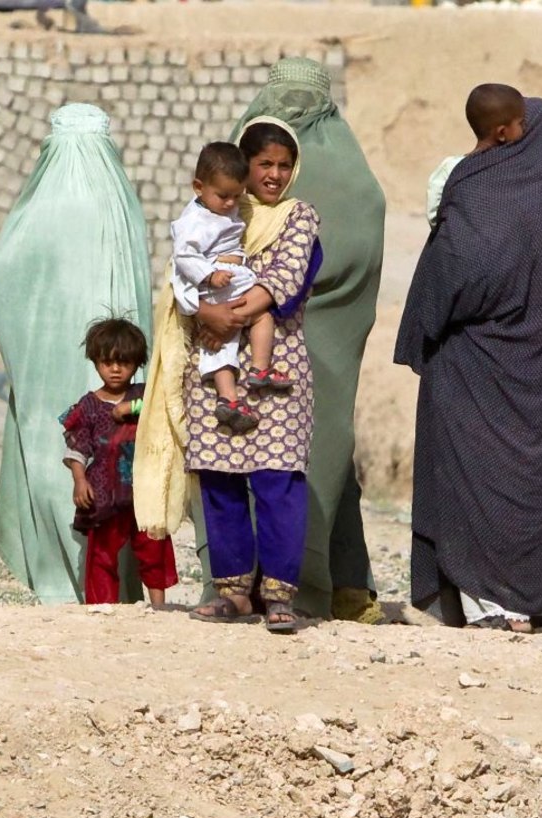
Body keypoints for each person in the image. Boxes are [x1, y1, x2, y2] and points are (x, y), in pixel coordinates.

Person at [396, 89, 542, 633]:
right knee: (482, 476)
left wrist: (429, 317)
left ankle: (499, 605)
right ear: (503, 131)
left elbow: (459, 268)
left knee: (477, 473)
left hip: (478, 354)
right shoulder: (530, 184)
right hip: (521, 361)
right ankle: (493, 605)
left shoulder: (478, 185)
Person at [134, 120, 320, 636]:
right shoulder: (216, 211)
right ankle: (233, 592)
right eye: (264, 164)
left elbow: (286, 280)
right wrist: (200, 312)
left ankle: (278, 596)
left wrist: (223, 315)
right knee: (219, 480)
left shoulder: (298, 216)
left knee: (278, 479)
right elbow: (182, 272)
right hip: (214, 364)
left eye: (284, 165)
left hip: (275, 370)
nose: (274, 175)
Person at [233, 57, 387, 624]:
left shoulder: (253, 153)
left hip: (261, 340)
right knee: (324, 457)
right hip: (327, 345)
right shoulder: (355, 176)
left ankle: (264, 584)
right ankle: (345, 585)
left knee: (259, 458)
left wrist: (259, 292)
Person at [0, 103, 151, 605]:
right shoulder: (119, 202)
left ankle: (60, 585)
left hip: (45, 374)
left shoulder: (34, 210)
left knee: (52, 461)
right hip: (118, 370)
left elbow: (5, 290)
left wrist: (24, 359)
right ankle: (109, 590)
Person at [171, 142, 288, 433]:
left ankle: (254, 374)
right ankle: (233, 392)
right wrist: (209, 275)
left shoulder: (225, 210)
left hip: (234, 280)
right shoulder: (193, 220)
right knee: (222, 342)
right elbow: (184, 256)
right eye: (223, 196)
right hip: (216, 285)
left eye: (237, 196)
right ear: (198, 187)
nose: (230, 203)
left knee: (259, 319)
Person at [61, 318, 176, 606]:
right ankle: (102, 608)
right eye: (107, 362)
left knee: (153, 547)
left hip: (145, 491)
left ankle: (159, 607)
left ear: (137, 364)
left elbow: (166, 403)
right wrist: (79, 481)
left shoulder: (144, 396)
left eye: (123, 362)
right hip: (104, 493)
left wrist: (132, 408)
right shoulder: (88, 406)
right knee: (102, 554)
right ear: (95, 362)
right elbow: (77, 448)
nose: (115, 369)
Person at [425, 83, 526, 227]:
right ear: (502, 133)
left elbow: (434, 215)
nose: (524, 128)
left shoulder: (449, 167)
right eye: (520, 123)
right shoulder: (510, 169)